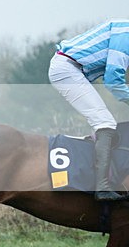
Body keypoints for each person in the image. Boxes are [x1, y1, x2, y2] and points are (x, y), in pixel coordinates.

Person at [49, 19, 129, 200]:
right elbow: (113, 80)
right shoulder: (126, 36)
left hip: (70, 68)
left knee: (104, 121)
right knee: (105, 122)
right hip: (67, 69)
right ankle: (102, 187)